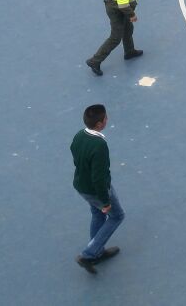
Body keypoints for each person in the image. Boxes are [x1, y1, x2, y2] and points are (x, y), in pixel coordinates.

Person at [70, 103, 125, 273]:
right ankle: (89, 254)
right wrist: (105, 201)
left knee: (97, 213)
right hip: (96, 190)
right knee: (116, 216)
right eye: (106, 117)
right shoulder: (99, 145)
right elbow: (99, 177)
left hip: (81, 185)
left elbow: (74, 152)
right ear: (100, 124)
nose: (107, 119)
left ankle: (97, 251)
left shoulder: (79, 135)